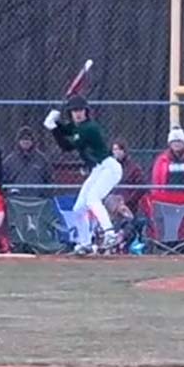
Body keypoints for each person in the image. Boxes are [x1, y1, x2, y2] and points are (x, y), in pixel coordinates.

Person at [44, 95, 122, 253]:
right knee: (78, 208)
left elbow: (66, 146)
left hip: (109, 167)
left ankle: (109, 233)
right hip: (97, 170)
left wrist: (53, 128)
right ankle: (85, 243)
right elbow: (66, 130)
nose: (78, 113)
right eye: (74, 111)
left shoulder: (89, 128)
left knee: (93, 198)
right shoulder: (76, 126)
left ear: (86, 111)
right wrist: (55, 122)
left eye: (80, 110)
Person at [147, 126, 184, 206]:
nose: (176, 144)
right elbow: (156, 182)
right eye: (174, 141)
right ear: (170, 143)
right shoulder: (161, 161)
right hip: (167, 199)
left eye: (179, 141)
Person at [4, 126, 52, 191]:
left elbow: (49, 180)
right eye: (23, 139)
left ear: (33, 141)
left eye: (28, 139)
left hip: (39, 199)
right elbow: (4, 181)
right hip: (15, 199)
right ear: (18, 141)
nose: (26, 142)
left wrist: (44, 194)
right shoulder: (9, 160)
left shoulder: (42, 159)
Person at [110, 138, 146, 212]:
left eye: (118, 149)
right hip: (112, 203)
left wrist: (129, 200)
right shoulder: (110, 168)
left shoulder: (133, 168)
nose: (116, 152)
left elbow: (141, 186)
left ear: (124, 151)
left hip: (128, 205)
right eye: (114, 150)